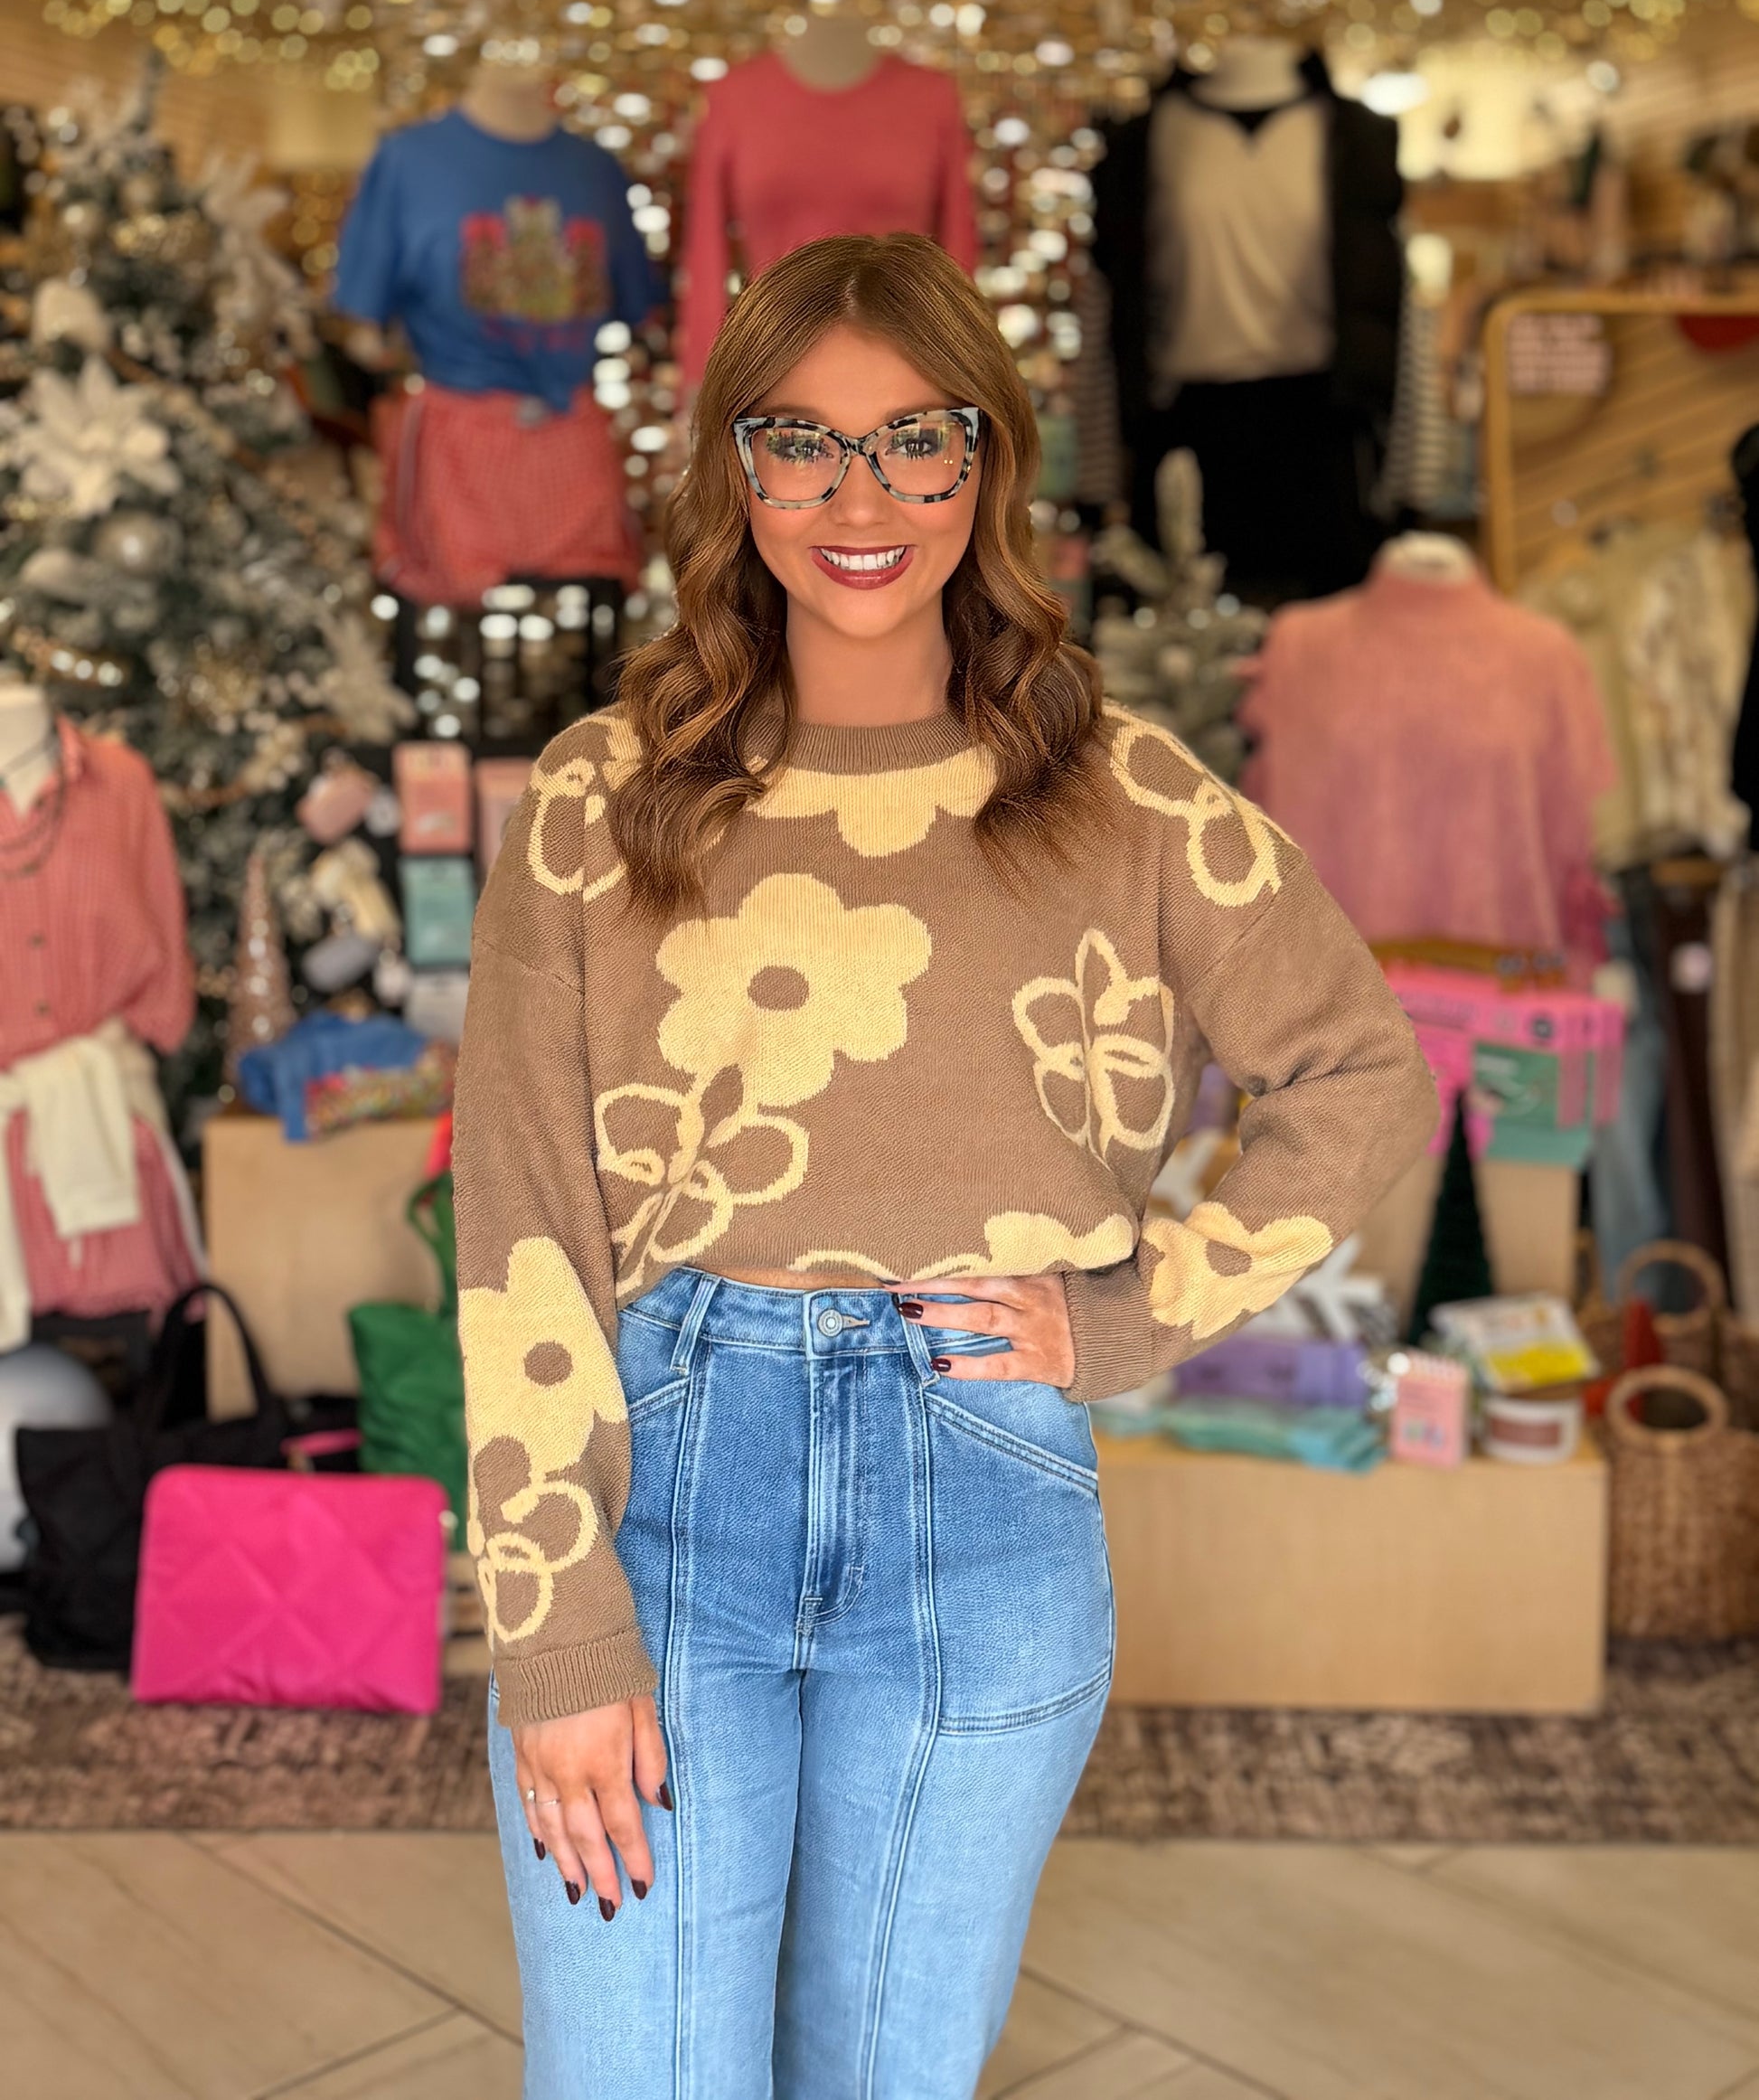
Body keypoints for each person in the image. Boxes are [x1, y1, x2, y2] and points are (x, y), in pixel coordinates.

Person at [452, 230, 1437, 2098]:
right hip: (662, 1478)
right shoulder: (598, 795)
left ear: (986, 462)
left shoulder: (1121, 791)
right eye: (800, 442)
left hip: (981, 1491)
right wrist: (557, 1627)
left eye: (918, 439)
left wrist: (1129, 1317)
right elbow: (522, 1228)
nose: (860, 498)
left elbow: (1361, 1073)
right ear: (734, 470)